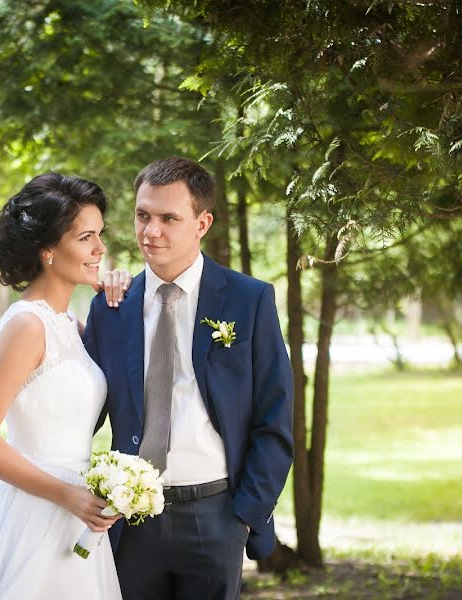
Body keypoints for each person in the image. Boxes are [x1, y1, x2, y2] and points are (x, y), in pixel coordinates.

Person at [83, 157, 294, 600]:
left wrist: (245, 515)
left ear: (202, 222)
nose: (150, 231)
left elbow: (275, 418)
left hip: (215, 516)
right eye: (143, 215)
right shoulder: (111, 307)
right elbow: (76, 411)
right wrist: (11, 485)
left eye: (168, 218)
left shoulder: (248, 300)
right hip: (130, 521)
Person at [0, 173, 128, 600]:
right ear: (48, 251)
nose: (100, 248)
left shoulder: (68, 324)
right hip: (38, 512)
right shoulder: (27, 325)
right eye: (86, 238)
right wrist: (67, 494)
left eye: (100, 235)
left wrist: (115, 287)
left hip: (76, 515)